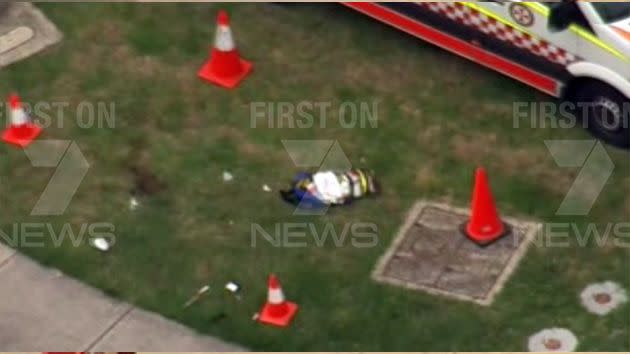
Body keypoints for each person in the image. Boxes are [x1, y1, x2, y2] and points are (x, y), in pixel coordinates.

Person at [280, 168, 379, 209]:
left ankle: (290, 195)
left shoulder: (313, 190)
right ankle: (290, 194)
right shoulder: (313, 182)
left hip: (333, 190)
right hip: (332, 187)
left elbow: (330, 197)